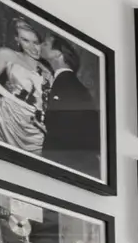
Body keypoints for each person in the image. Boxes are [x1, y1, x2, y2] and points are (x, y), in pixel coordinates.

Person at [0, 18, 48, 154]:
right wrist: (14, 99)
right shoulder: (7, 54)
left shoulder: (45, 67)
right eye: (25, 40)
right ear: (17, 40)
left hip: (36, 123)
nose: (32, 47)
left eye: (35, 42)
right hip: (12, 115)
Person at [39, 35, 100, 177]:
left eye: (45, 44)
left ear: (57, 53)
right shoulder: (67, 82)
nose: (40, 45)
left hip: (68, 163)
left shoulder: (68, 84)